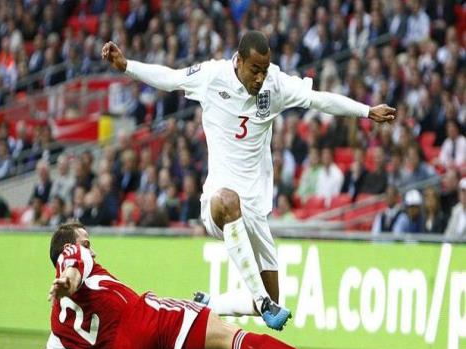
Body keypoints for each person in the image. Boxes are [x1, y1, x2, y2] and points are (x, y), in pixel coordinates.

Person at [102, 31, 396, 330]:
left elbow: (319, 100)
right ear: (239, 61)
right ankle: (263, 301)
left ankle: (213, 305)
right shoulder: (212, 76)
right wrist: (127, 66)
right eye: (255, 70)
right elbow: (171, 78)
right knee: (229, 202)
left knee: (273, 298)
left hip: (254, 210)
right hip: (217, 203)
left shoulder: (275, 85)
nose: (260, 78)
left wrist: (366, 111)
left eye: (264, 70)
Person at [5, 223, 349, 349]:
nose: (91, 249)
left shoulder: (59, 327)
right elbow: (72, 270)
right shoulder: (72, 254)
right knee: (232, 338)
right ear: (67, 249)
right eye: (86, 242)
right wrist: (67, 282)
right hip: (147, 317)